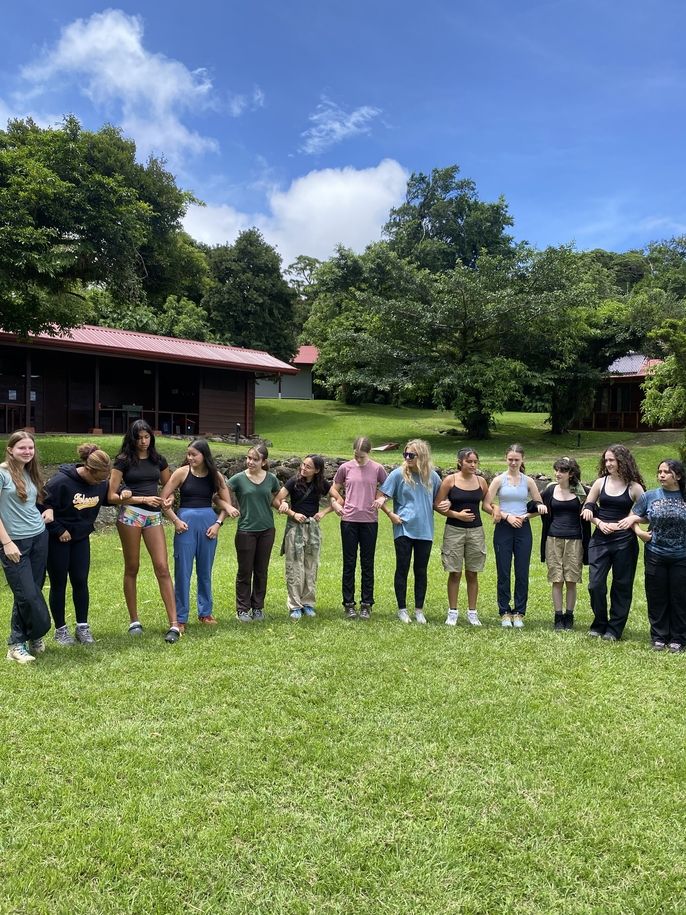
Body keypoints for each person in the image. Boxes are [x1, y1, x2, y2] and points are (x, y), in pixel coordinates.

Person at [108, 420, 180, 643]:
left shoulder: (158, 460)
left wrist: (168, 500)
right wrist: (141, 498)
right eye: (139, 438)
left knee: (162, 567)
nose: (143, 441)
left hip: (153, 517)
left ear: (152, 437)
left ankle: (174, 624)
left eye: (146, 437)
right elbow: (111, 496)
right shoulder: (122, 461)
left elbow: (169, 489)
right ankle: (134, 620)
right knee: (132, 567)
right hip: (130, 514)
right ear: (132, 438)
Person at [44, 444, 119, 646]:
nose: (101, 482)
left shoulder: (101, 482)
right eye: (98, 478)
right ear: (88, 469)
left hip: (81, 538)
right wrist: (58, 530)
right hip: (57, 539)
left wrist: (126, 491)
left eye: (104, 479)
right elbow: (41, 505)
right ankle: (60, 630)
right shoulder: (61, 482)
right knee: (59, 583)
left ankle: (82, 627)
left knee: (80, 581)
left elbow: (112, 494)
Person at [160, 439, 230, 634]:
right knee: (183, 571)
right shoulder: (181, 473)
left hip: (209, 523)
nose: (190, 458)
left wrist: (218, 524)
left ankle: (205, 613)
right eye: (188, 454)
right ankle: (180, 617)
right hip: (185, 524)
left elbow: (226, 503)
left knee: (205, 571)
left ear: (204, 455)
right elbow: (163, 499)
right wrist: (175, 520)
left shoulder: (215, 476)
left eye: (194, 455)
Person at [581, 444, 645, 641]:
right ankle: (600, 623)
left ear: (622, 461)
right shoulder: (600, 483)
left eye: (612, 460)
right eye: (606, 460)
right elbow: (587, 507)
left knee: (622, 585)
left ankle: (614, 629)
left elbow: (648, 513)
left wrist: (632, 519)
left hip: (624, 541)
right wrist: (598, 521)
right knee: (595, 584)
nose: (608, 463)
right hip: (600, 539)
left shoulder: (634, 487)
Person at [0, 431, 53, 663]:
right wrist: (7, 542)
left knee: (30, 591)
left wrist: (47, 511)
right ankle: (28, 636)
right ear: (10, 449)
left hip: (39, 538)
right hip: (14, 543)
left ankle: (23, 641)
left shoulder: (29, 472)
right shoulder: (2, 474)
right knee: (28, 594)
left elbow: (35, 502)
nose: (27, 452)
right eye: (22, 448)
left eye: (30, 448)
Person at [623, 459, 686, 652]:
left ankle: (678, 638)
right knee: (657, 595)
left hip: (681, 555)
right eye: (659, 471)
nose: (661, 475)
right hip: (655, 553)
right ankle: (659, 636)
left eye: (666, 472)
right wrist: (639, 532)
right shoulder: (649, 496)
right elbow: (632, 516)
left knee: (680, 597)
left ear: (678, 476)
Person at [483, 444, 546, 628]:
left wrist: (525, 516)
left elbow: (538, 506)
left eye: (516, 459)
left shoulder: (528, 481)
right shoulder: (498, 480)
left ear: (522, 460)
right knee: (503, 570)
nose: (513, 462)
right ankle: (504, 611)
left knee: (522, 571)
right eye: (510, 459)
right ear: (506, 458)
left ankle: (519, 612)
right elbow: (486, 505)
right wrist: (506, 516)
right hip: (503, 526)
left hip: (523, 528)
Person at [379, 440, 442, 624]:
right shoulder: (398, 475)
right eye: (405, 455)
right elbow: (381, 498)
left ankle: (419, 610)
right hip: (404, 529)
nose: (407, 458)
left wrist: (446, 506)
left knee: (421, 570)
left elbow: (438, 501)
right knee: (403, 568)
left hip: (425, 530)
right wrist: (391, 514)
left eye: (411, 455)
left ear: (421, 456)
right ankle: (402, 609)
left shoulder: (433, 477)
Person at [275, 454, 341, 620]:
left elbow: (339, 499)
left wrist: (323, 512)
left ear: (317, 470)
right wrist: (291, 511)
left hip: (312, 528)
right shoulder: (293, 481)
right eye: (303, 465)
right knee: (294, 567)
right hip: (294, 528)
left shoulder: (321, 484)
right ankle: (295, 606)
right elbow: (277, 499)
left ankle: (308, 603)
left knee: (310, 567)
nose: (303, 468)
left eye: (308, 467)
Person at [331, 436, 388, 620]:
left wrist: (381, 498)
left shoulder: (377, 469)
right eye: (356, 455)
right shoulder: (345, 468)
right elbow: (334, 488)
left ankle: (366, 604)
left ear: (369, 453)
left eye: (361, 456)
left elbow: (388, 488)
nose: (358, 458)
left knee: (367, 563)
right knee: (349, 563)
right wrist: (336, 503)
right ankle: (348, 604)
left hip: (369, 521)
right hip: (348, 520)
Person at [225, 444, 281, 623]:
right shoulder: (238, 479)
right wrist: (228, 506)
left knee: (261, 571)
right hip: (246, 531)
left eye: (255, 459)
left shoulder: (271, 479)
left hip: (267, 530)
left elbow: (277, 499)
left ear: (264, 462)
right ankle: (242, 610)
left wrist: (284, 504)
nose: (250, 462)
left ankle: (258, 607)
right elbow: (218, 494)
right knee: (244, 571)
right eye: (248, 458)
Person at [434, 448, 489, 626]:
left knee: (472, 573)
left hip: (476, 531)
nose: (472, 465)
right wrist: (457, 514)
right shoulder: (450, 480)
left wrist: (496, 511)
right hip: (454, 531)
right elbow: (437, 505)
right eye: (469, 462)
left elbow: (487, 504)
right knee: (455, 573)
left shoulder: (481, 482)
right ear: (460, 462)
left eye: (475, 462)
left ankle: (472, 613)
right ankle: (453, 612)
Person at [539, 457, 590, 631]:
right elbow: (535, 504)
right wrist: (536, 507)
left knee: (571, 580)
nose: (557, 474)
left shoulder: (582, 492)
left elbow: (593, 508)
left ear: (571, 474)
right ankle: (558, 616)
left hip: (575, 540)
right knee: (556, 579)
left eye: (562, 471)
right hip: (553, 539)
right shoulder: (550, 489)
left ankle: (569, 615)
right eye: (556, 470)